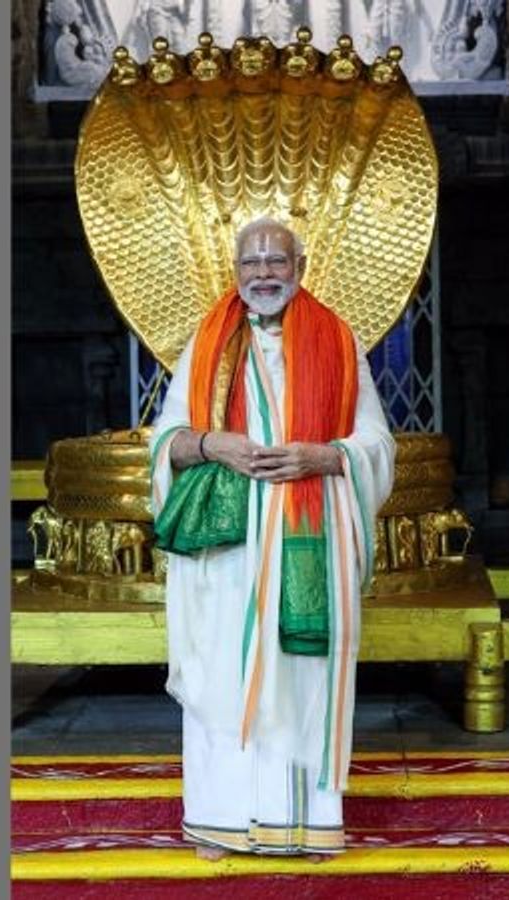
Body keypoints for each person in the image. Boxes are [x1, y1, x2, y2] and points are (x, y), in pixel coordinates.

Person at [149, 217, 396, 860]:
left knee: (304, 678)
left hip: (307, 541)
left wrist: (324, 456)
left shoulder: (339, 343)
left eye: (274, 261)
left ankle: (306, 825)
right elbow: (162, 442)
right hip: (226, 557)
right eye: (250, 262)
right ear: (234, 270)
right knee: (224, 680)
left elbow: (378, 444)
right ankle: (218, 823)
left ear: (300, 266)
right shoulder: (206, 342)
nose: (262, 273)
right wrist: (210, 444)